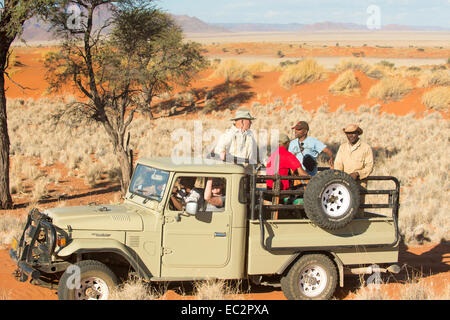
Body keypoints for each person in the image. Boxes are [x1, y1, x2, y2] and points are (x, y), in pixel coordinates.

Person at [334, 124, 374, 189]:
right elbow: (338, 164)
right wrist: (340, 177)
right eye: (348, 133)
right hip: (344, 185)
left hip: (359, 185)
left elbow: (369, 167)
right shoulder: (342, 147)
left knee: (359, 199)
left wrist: (357, 174)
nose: (350, 136)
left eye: (353, 133)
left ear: (357, 133)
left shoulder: (366, 148)